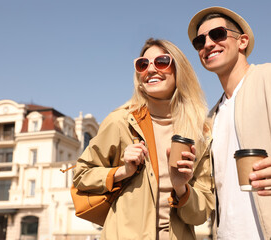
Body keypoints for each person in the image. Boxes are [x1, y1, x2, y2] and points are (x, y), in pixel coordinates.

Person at [187, 6, 271, 240]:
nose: (207, 44)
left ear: (242, 41)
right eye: (199, 41)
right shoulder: (210, 118)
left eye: (217, 34)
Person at [73, 38, 215, 239]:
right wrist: (123, 171)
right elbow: (81, 175)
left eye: (161, 62)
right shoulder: (120, 121)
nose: (150, 70)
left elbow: (200, 214)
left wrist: (181, 187)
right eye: (142, 64)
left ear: (179, 70)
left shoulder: (200, 133)